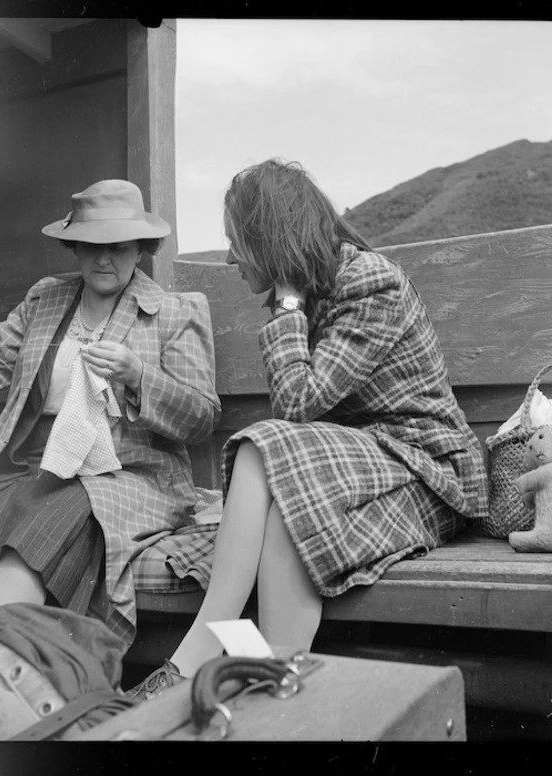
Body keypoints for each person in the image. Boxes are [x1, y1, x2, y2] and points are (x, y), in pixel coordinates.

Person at [130, 159, 489, 699]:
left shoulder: (368, 281)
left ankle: (205, 656)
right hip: (352, 469)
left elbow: (298, 405)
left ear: (270, 239)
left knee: (262, 446)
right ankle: (276, 686)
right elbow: (306, 417)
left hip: (424, 471)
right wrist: (292, 302)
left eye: (237, 242)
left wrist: (290, 306)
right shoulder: (316, 291)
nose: (230, 257)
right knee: (285, 519)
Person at [0, 179, 221, 662]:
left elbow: (202, 417)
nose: (104, 260)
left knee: (26, 552)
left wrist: (139, 375)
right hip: (34, 469)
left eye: (118, 247)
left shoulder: (176, 312)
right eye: (91, 246)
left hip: (122, 477)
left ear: (141, 248)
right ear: (73, 246)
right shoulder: (48, 299)